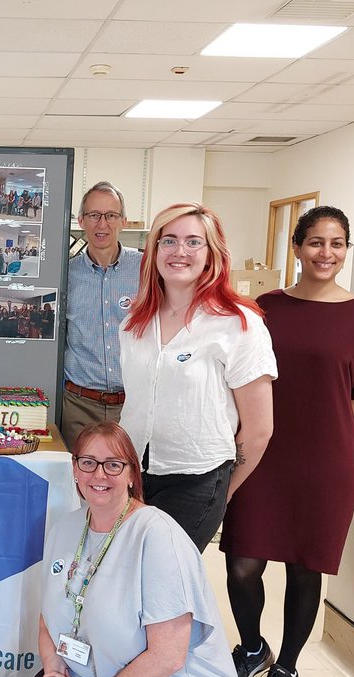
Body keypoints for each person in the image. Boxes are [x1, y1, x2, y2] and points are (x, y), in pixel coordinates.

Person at [4, 422, 248, 677]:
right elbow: (49, 616)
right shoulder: (68, 527)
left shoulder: (157, 537)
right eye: (88, 463)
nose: (99, 475)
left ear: (133, 474)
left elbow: (168, 657)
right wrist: (55, 675)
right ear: (75, 472)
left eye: (113, 464)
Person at [222, 206, 354, 677]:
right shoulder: (263, 308)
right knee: (242, 563)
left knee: (303, 565)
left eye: (337, 244)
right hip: (260, 452)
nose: (326, 253)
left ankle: (288, 667)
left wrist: (322, 416)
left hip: (325, 460)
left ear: (346, 251)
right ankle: (252, 647)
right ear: (296, 248)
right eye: (315, 242)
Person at [117, 203, 276, 552]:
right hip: (131, 474)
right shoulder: (134, 323)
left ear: (212, 254)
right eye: (168, 241)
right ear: (154, 251)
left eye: (193, 242)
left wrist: (222, 493)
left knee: (165, 586)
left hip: (197, 480)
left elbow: (259, 429)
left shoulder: (238, 324)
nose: (179, 252)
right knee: (124, 576)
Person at [61, 182, 142, 448]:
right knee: (78, 483)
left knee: (133, 483)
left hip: (134, 405)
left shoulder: (146, 269)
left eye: (111, 215)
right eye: (94, 215)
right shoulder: (65, 274)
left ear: (124, 221)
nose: (102, 224)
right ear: (81, 220)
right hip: (78, 406)